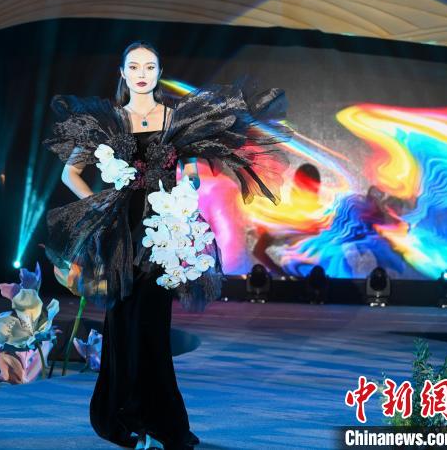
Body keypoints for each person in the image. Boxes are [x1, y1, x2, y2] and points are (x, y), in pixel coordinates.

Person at [43, 41, 290, 450]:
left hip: (163, 232)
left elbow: (191, 174)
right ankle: (122, 416)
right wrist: (101, 204)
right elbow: (71, 173)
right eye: (134, 66)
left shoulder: (176, 117)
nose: (142, 73)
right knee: (123, 323)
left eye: (150, 66)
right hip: (122, 232)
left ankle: (161, 421)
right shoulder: (109, 120)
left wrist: (185, 203)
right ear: (123, 73)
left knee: (153, 326)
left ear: (159, 72)